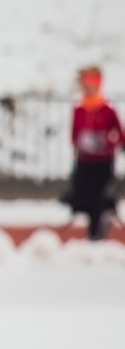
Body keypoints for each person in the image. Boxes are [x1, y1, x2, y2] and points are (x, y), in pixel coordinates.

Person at [63, 66, 123, 241]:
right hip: (85, 160)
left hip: (103, 160)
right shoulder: (79, 110)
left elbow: (119, 134)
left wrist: (106, 143)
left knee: (98, 196)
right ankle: (102, 216)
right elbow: (74, 134)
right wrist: (80, 143)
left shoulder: (107, 110)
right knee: (82, 196)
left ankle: (95, 233)